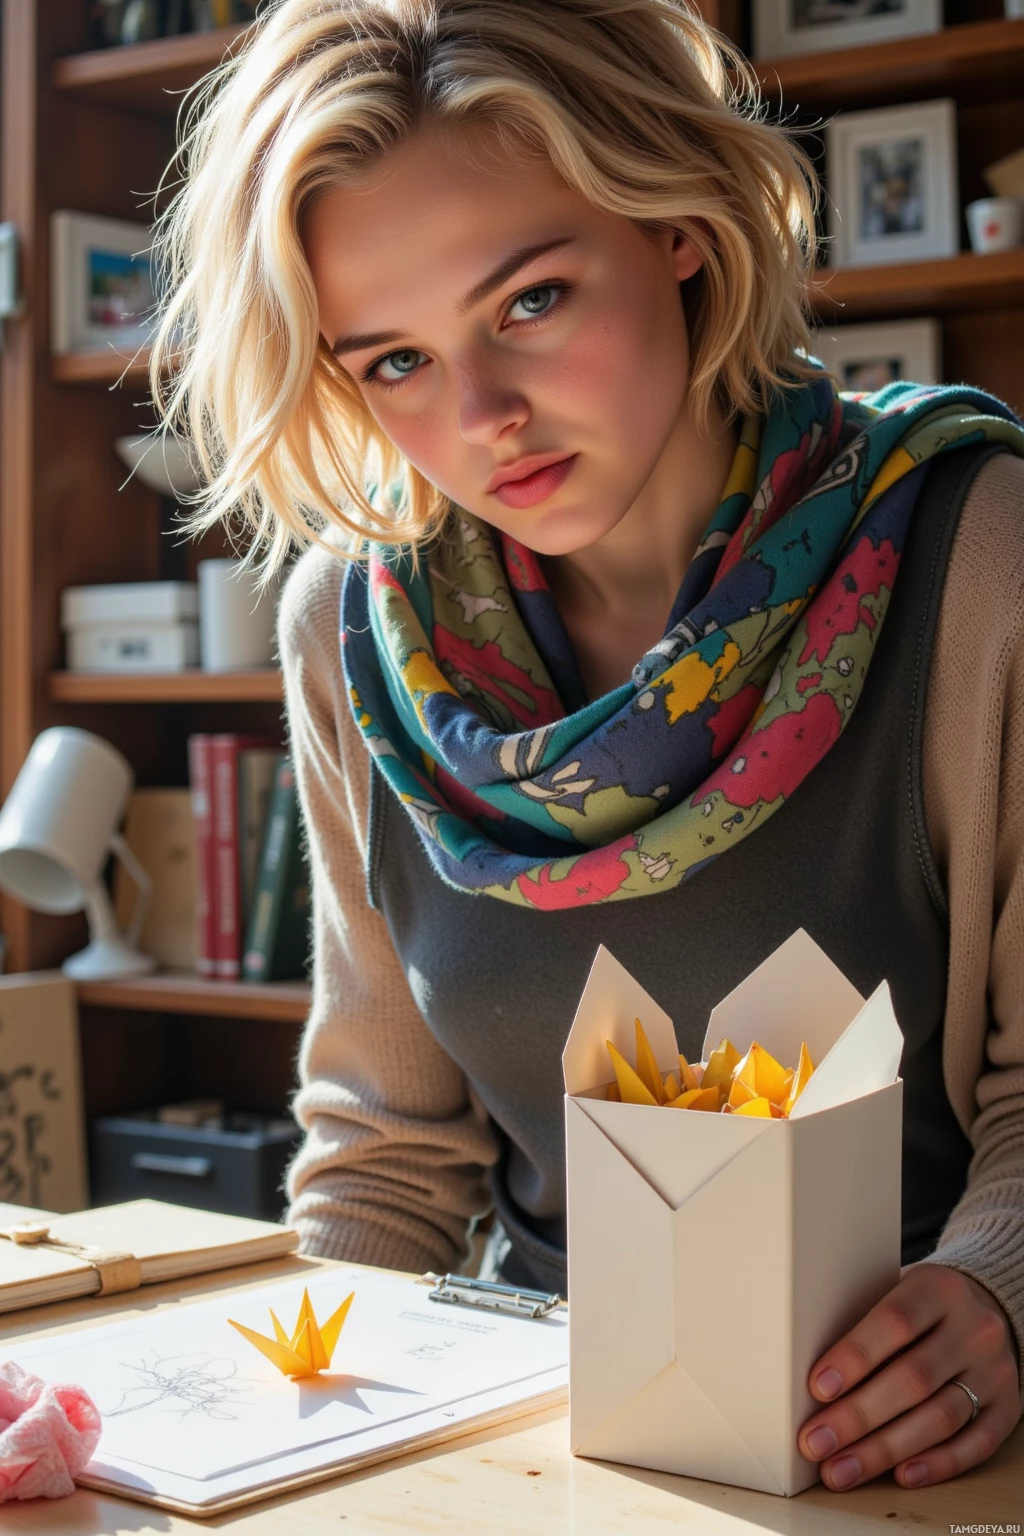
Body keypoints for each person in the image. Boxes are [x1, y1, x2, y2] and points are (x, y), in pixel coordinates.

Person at [151, 0, 1024, 1495]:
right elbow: (388, 1155)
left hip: (919, 1451)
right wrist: (270, 1461)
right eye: (394, 364)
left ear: (677, 220)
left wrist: (1002, 1291)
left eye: (533, 300)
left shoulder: (975, 550)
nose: (483, 416)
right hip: (526, 1448)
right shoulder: (345, 633)